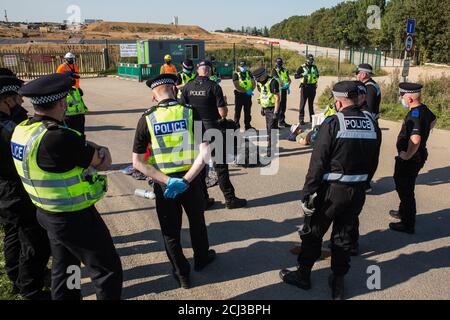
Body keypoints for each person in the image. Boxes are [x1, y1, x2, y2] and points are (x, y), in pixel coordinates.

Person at [12, 73, 123, 300]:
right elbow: (104, 161)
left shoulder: (23, 130)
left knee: (66, 268)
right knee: (107, 269)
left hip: (47, 212)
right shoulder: (59, 137)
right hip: (73, 216)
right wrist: (96, 146)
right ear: (62, 103)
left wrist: (83, 145)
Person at [279, 81, 382, 300]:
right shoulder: (372, 124)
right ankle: (337, 281)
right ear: (358, 99)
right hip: (357, 192)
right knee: (343, 236)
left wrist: (308, 192)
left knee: (313, 232)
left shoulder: (333, 122)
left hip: (331, 192)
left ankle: (303, 275)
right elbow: (374, 162)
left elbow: (318, 162)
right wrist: (363, 183)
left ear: (338, 101)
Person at [132, 74, 216, 289]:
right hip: (192, 180)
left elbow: (138, 163)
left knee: (171, 231)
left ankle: (182, 275)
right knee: (197, 222)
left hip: (164, 185)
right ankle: (201, 259)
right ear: (175, 90)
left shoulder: (147, 118)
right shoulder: (190, 112)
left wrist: (168, 181)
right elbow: (205, 152)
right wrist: (186, 180)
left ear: (154, 96)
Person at [0, 74, 51, 300]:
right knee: (34, 242)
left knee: (13, 234)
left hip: (5, 193)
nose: (21, 102)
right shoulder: (7, 128)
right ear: (5, 100)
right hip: (14, 191)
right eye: (16, 98)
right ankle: (31, 290)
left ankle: (17, 279)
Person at [181, 60, 247, 210]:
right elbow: (222, 112)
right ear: (209, 71)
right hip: (212, 128)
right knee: (221, 165)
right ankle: (230, 199)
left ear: (198, 70)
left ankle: (203, 200)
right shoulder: (214, 87)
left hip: (196, 129)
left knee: (200, 166)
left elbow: (182, 108)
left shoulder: (187, 87)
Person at [389, 83, 436, 234]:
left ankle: (408, 223)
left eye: (402, 95)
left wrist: (406, 155)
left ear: (409, 98)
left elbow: (415, 140)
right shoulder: (424, 109)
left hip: (411, 158)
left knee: (405, 189)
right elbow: (433, 121)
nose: (401, 98)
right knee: (406, 186)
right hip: (419, 155)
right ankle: (403, 211)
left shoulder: (415, 115)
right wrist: (425, 131)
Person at [254, 67, 280, 158]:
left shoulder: (273, 82)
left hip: (273, 109)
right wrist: (262, 107)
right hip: (266, 109)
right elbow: (262, 95)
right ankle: (272, 146)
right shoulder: (260, 83)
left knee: (271, 131)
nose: (257, 80)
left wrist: (276, 113)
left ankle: (270, 152)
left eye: (258, 78)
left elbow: (277, 98)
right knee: (269, 129)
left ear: (264, 75)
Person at [295, 54, 320, 125]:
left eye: (312, 60)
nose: (311, 61)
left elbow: (317, 75)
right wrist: (302, 75)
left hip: (312, 87)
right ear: (307, 59)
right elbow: (295, 76)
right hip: (305, 87)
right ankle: (301, 119)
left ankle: (312, 119)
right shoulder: (302, 67)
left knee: (311, 104)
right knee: (302, 104)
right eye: (310, 60)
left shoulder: (314, 67)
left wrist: (317, 74)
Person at [233, 61, 256, 130]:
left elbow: (253, 82)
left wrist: (251, 90)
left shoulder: (248, 73)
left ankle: (247, 125)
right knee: (237, 112)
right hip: (239, 95)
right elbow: (237, 85)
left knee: (248, 111)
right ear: (239, 66)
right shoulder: (236, 74)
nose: (243, 67)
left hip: (248, 95)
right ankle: (236, 126)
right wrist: (246, 91)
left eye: (244, 66)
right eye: (241, 66)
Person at [272, 58, 292, 128]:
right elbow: (276, 79)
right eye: (278, 63)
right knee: (277, 107)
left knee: (283, 106)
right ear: (276, 63)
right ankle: (275, 124)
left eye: (280, 63)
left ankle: (282, 121)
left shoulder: (285, 70)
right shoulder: (274, 70)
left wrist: (288, 85)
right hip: (277, 90)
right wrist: (283, 85)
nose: (279, 64)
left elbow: (289, 79)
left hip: (284, 90)